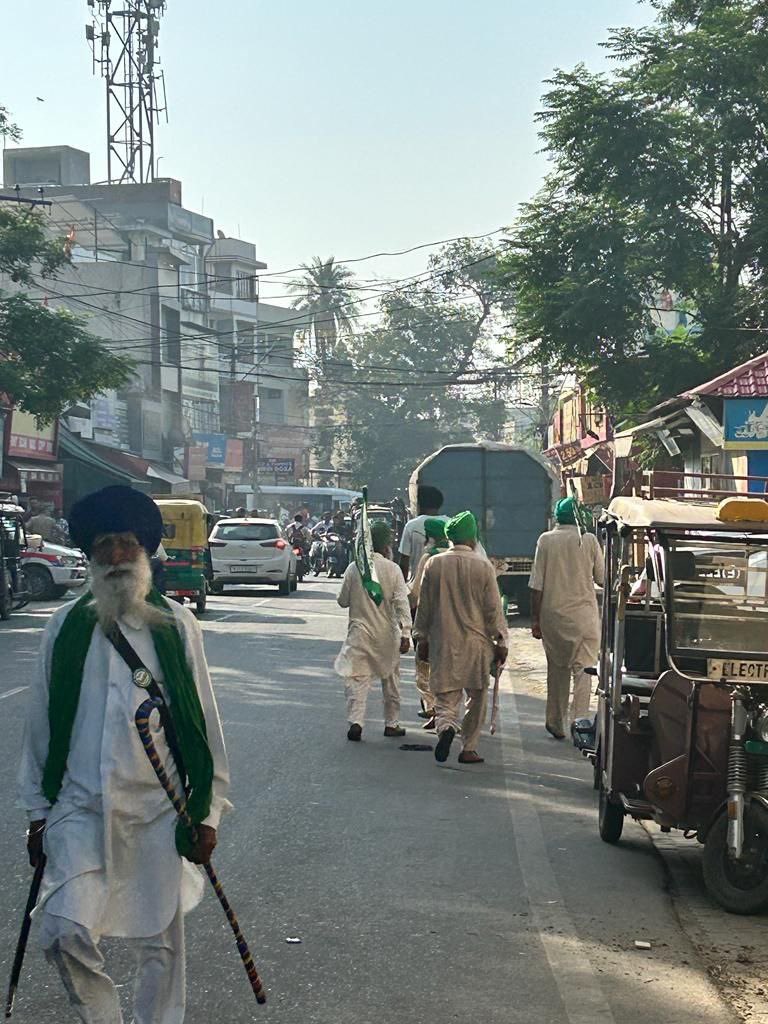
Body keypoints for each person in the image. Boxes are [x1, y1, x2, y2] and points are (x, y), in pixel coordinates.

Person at [18, 484, 230, 1024]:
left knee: (161, 950)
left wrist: (205, 815)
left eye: (127, 544)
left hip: (159, 813)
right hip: (79, 810)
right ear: (89, 553)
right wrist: (39, 815)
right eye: (105, 544)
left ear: (146, 551)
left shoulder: (178, 627)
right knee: (64, 932)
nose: (115, 556)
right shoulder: (64, 627)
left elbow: (203, 726)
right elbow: (40, 727)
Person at [414, 511, 508, 765]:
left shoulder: (435, 564)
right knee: (476, 697)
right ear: (472, 537)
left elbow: (425, 606)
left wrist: (420, 637)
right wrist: (502, 642)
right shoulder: (483, 566)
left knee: (446, 697)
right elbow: (493, 610)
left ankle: (446, 727)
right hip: (477, 646)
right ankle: (469, 748)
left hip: (443, 642)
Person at [528, 497, 604, 740]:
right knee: (584, 672)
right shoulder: (589, 540)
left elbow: (536, 585)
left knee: (557, 669)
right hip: (584, 618)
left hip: (553, 617)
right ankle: (579, 722)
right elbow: (602, 578)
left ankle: (555, 721)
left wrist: (535, 620)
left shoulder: (545, 540)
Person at [335, 521, 411, 741]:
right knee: (391, 680)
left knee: (357, 680)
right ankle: (391, 723)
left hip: (359, 634)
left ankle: (356, 722)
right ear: (386, 544)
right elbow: (401, 604)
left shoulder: (354, 567)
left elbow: (342, 601)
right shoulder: (393, 569)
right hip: (387, 636)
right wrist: (406, 633)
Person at [408, 518, 450, 730]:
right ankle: (448, 717)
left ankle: (433, 709)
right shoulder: (458, 556)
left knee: (425, 668)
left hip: (430, 622)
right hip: (455, 623)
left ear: (429, 537)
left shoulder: (429, 557)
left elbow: (417, 593)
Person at [398, 486, 448, 580]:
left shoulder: (412, 526)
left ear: (418, 503)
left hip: (419, 585)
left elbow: (404, 562)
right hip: (446, 583)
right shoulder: (450, 524)